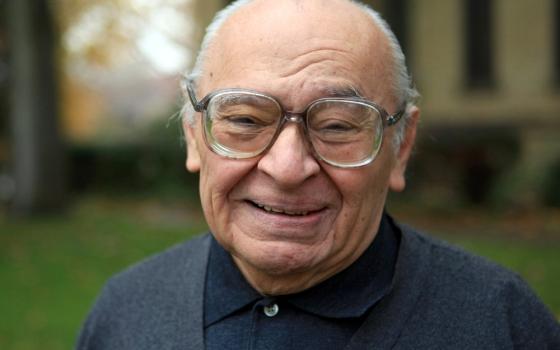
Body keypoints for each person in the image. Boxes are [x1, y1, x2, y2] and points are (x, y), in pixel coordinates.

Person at [76, 0, 560, 349]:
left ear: (400, 146)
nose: (287, 168)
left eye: (336, 125)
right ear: (193, 134)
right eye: (245, 120)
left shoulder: (502, 323)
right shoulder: (125, 312)